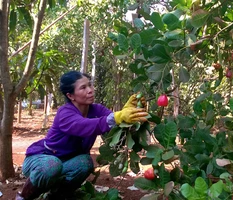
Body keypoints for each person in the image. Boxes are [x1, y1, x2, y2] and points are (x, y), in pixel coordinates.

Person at [15, 71, 148, 200]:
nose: (90, 90)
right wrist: (118, 116)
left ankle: (55, 196)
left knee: (85, 162)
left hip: (68, 162)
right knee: (52, 165)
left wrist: (127, 113)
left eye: (89, 85)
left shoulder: (97, 109)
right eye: (83, 88)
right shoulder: (64, 113)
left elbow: (114, 125)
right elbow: (84, 125)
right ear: (71, 96)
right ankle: (23, 197)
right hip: (42, 159)